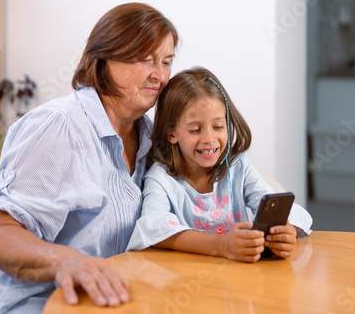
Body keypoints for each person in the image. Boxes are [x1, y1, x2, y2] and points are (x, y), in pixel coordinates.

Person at [0, 2, 178, 313]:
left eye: (167, 62)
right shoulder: (59, 126)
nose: (160, 75)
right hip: (27, 305)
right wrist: (66, 260)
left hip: (98, 303)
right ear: (105, 58)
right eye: (146, 60)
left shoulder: (150, 135)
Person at [127, 67, 312, 262]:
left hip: (239, 281)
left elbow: (283, 208)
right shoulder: (160, 178)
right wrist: (220, 245)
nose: (209, 138)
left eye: (218, 127)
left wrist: (286, 232)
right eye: (195, 129)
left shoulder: (237, 167)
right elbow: (153, 226)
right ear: (172, 133)